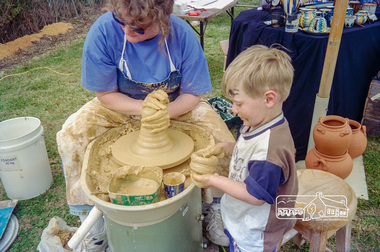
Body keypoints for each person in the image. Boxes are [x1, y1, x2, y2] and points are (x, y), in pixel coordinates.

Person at [56, 0, 234, 250]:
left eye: (139, 28)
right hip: (121, 106)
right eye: (122, 22)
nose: (127, 32)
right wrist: (144, 111)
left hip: (175, 105)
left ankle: (214, 206)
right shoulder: (104, 31)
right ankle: (90, 217)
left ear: (162, 20)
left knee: (217, 133)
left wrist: (165, 112)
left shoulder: (182, 36)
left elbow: (192, 94)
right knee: (72, 134)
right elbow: (105, 94)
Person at [191, 45, 299, 252]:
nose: (233, 109)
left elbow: (255, 196)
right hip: (242, 217)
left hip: (256, 233)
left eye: (238, 103)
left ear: (269, 99)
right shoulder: (258, 121)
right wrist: (227, 148)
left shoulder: (269, 151)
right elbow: (247, 148)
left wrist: (213, 179)